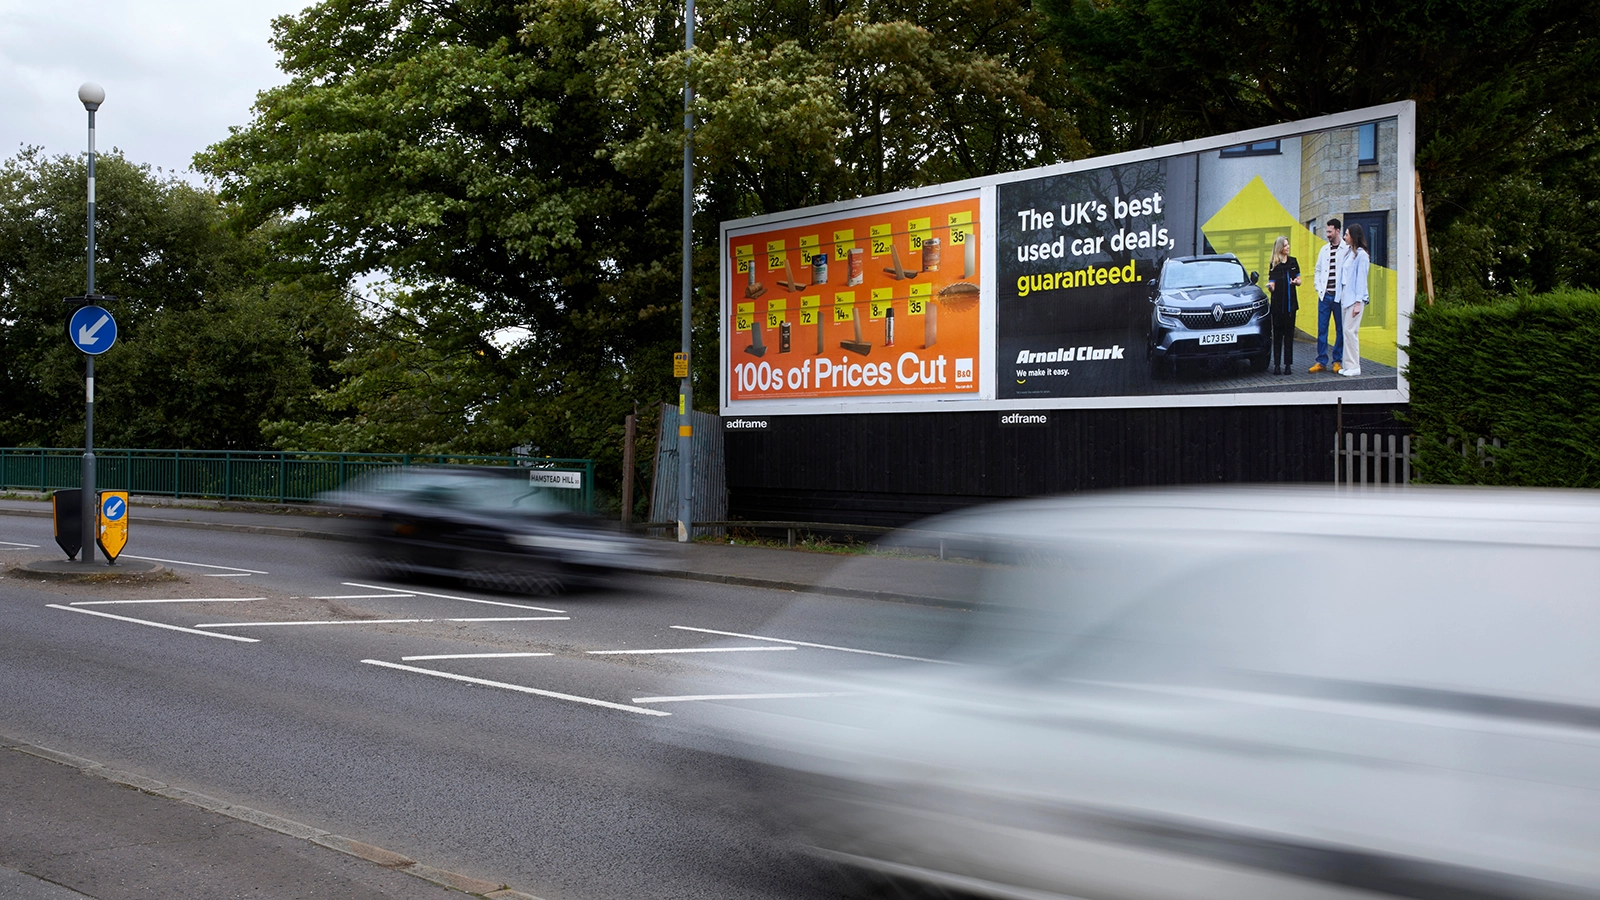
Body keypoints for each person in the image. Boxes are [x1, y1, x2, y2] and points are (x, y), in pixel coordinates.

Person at [1336, 222, 1371, 377]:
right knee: (1346, 332)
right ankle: (1347, 365)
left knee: (1350, 331)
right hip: (1346, 296)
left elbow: (1361, 280)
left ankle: (1354, 366)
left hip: (1355, 299)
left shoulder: (1362, 256)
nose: (1344, 237)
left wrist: (1358, 302)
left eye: (1347, 234)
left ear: (1354, 236)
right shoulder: (1349, 253)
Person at [1308, 218, 1342, 373]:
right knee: (1322, 329)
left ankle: (1337, 360)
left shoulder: (1346, 249)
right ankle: (1321, 361)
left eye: (1330, 231)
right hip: (1325, 297)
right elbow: (1318, 270)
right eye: (1327, 231)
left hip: (1339, 298)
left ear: (1337, 231)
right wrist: (1318, 287)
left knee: (1340, 329)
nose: (1327, 234)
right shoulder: (1324, 250)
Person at [1266, 236, 1301, 375]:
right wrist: (1270, 287)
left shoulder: (1293, 262)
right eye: (1285, 245)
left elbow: (1299, 280)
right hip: (1278, 307)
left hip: (1290, 306)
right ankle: (1276, 365)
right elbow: (1272, 284)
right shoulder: (1274, 265)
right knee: (1278, 336)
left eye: (1288, 244)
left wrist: (1296, 282)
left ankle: (1288, 365)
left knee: (1289, 336)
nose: (1288, 247)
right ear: (1280, 248)